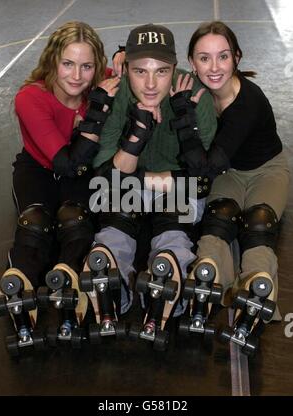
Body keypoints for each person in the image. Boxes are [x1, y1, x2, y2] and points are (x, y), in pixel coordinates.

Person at [78, 23, 217, 350]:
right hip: (133, 185)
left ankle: (168, 271)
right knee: (114, 222)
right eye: (141, 71)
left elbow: (202, 176)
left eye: (162, 71)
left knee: (173, 226)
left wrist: (146, 178)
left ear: (175, 68)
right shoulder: (115, 92)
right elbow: (104, 174)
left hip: (176, 189)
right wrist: (136, 139)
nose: (151, 84)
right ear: (125, 68)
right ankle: (109, 275)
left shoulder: (195, 94)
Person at [0, 21, 120, 353]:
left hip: (79, 174)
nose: (77, 75)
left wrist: (125, 59)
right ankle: (20, 281)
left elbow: (136, 70)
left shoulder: (100, 79)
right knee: (36, 224)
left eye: (86, 66)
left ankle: (67, 278)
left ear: (96, 66)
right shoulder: (30, 97)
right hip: (40, 169)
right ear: (53, 62)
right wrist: (96, 113)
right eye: (68, 64)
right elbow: (65, 163)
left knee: (74, 221)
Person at [176, 21, 289, 355]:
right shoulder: (194, 87)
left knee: (258, 222)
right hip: (228, 171)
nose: (214, 67)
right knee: (219, 219)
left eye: (223, 56)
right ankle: (207, 276)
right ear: (192, 62)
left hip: (266, 169)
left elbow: (208, 165)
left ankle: (257, 286)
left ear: (236, 57)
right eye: (204, 58)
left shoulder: (248, 102)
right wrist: (121, 61)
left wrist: (184, 121)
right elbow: (152, 73)